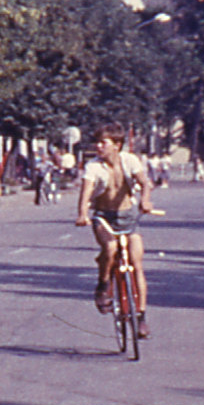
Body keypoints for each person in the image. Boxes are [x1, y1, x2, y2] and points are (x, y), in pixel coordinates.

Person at [75, 122, 159, 340]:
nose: (98, 146)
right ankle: (104, 284)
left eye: (103, 143)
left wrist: (145, 200)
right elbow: (86, 192)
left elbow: (145, 182)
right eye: (97, 142)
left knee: (136, 263)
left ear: (117, 145)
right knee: (110, 248)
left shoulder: (130, 160)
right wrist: (82, 214)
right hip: (104, 217)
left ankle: (141, 317)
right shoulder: (93, 166)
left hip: (128, 217)